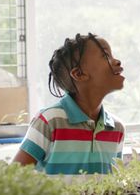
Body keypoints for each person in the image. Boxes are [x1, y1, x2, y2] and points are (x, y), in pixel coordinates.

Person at [13, 33, 126, 174]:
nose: (117, 61)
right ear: (79, 74)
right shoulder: (49, 121)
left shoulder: (117, 128)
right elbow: (13, 176)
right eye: (105, 56)